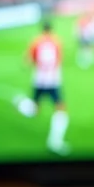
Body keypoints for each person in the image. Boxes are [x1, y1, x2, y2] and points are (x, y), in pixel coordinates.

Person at [15, 22, 71, 156]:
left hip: (39, 79)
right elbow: (59, 59)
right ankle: (55, 142)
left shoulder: (36, 41)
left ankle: (21, 105)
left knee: (35, 109)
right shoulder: (56, 41)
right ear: (51, 29)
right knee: (61, 109)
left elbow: (27, 60)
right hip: (52, 80)